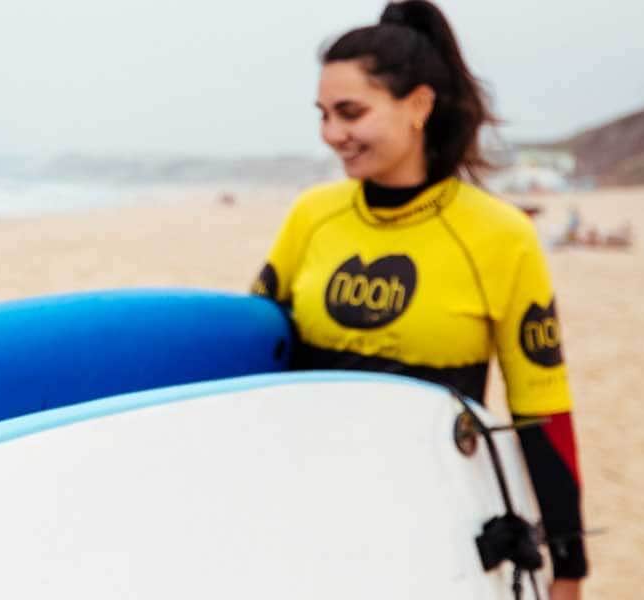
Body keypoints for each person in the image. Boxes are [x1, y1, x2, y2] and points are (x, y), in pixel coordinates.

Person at [251, 2, 588, 595]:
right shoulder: (314, 216)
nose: (333, 135)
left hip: (435, 522)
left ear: (419, 106)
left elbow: (541, 407)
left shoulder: (499, 235)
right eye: (324, 115)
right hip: (310, 508)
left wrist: (569, 564)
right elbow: (254, 349)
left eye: (350, 112)